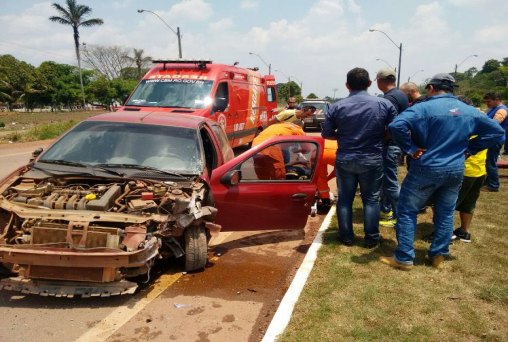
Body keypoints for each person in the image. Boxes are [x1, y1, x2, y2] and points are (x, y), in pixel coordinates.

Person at [380, 73, 505, 271]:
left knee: (407, 210)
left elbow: (396, 125)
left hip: (426, 166)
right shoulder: (469, 110)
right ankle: (438, 254)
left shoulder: (423, 107)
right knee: (446, 212)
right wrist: (470, 149)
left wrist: (411, 149)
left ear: (430, 88)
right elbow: (497, 133)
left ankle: (404, 257)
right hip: (455, 168)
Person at [322, 67, 397, 248]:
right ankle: (371, 238)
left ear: (347, 85)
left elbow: (326, 133)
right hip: (372, 158)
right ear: (370, 84)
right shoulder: (384, 105)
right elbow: (395, 130)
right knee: (371, 199)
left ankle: (346, 236)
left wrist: (344, 136)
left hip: (346, 158)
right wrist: (381, 137)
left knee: (345, 199)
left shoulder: (336, 106)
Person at [375, 69, 409, 228]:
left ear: (380, 80)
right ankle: (386, 209)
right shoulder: (400, 94)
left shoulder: (390, 98)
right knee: (386, 180)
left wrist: (384, 137)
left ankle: (400, 217)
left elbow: (392, 124)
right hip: (395, 143)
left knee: (390, 182)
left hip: (390, 144)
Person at [482, 92, 508, 192]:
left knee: (490, 163)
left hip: (495, 139)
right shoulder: (493, 109)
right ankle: (489, 182)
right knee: (488, 162)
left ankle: (493, 185)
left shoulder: (501, 110)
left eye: (488, 101)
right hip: (492, 139)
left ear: (496, 100)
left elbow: (494, 124)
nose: (487, 104)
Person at [316, 139, 338, 214]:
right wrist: (328, 178)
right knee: (344, 176)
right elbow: (337, 172)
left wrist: (327, 179)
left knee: (320, 177)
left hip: (319, 151)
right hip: (337, 153)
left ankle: (325, 202)